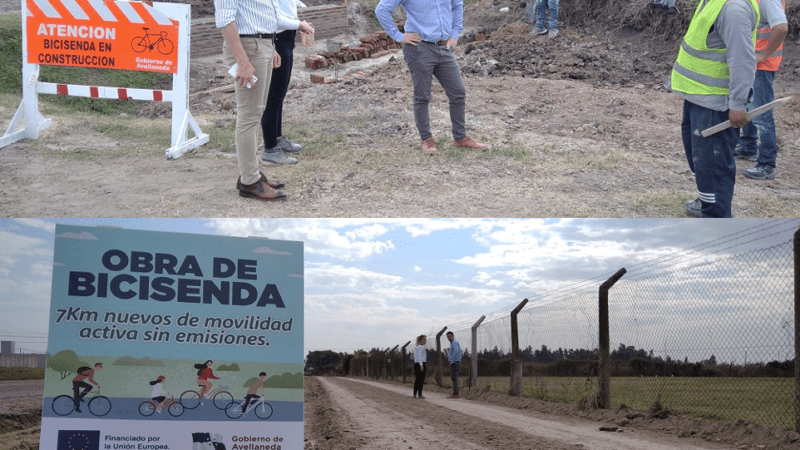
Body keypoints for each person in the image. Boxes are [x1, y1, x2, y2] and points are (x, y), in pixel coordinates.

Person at [670, 0, 758, 218]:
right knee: (701, 165)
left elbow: (742, 60)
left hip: (715, 106)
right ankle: (707, 205)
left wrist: (738, 104)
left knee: (714, 171)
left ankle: (717, 222)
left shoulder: (734, 8)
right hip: (698, 98)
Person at [375, 0, 487, 154]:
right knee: (423, 95)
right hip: (419, 47)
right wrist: (398, 36)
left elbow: (457, 5)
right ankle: (427, 140)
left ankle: (460, 138)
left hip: (444, 47)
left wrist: (454, 34)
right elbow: (382, 9)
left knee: (458, 92)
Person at [215, 0, 287, 201]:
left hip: (261, 44)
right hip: (249, 48)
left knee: (256, 113)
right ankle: (249, 181)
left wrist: (270, 46)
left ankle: (251, 173)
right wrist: (242, 61)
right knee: (249, 116)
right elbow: (224, 19)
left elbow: (257, 14)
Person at [735, 0, 788, 181]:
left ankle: (767, 163)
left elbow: (781, 28)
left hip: (762, 65)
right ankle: (748, 146)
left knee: (762, 113)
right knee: (748, 104)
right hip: (753, 63)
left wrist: (764, 55)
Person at [261, 0, 314, 166]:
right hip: (277, 38)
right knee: (274, 96)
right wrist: (300, 24)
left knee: (280, 93)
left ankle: (277, 138)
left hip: (286, 37)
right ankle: (270, 148)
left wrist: (299, 20)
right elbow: (274, 18)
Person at [446, 331, 461, 398]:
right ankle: (455, 392)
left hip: (455, 362)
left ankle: (455, 393)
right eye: (448, 336)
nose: (449, 337)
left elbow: (455, 351)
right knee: (453, 378)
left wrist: (452, 360)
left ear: (453, 336)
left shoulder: (454, 342)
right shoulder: (452, 343)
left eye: (450, 336)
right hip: (454, 362)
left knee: (454, 378)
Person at [412, 335, 427, 399]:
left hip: (416, 364)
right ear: (420, 340)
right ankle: (420, 394)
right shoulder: (421, 347)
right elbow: (420, 356)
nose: (425, 340)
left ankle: (415, 394)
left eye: (425, 339)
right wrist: (421, 365)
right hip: (421, 363)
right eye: (423, 339)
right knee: (421, 380)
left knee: (417, 380)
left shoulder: (416, 347)